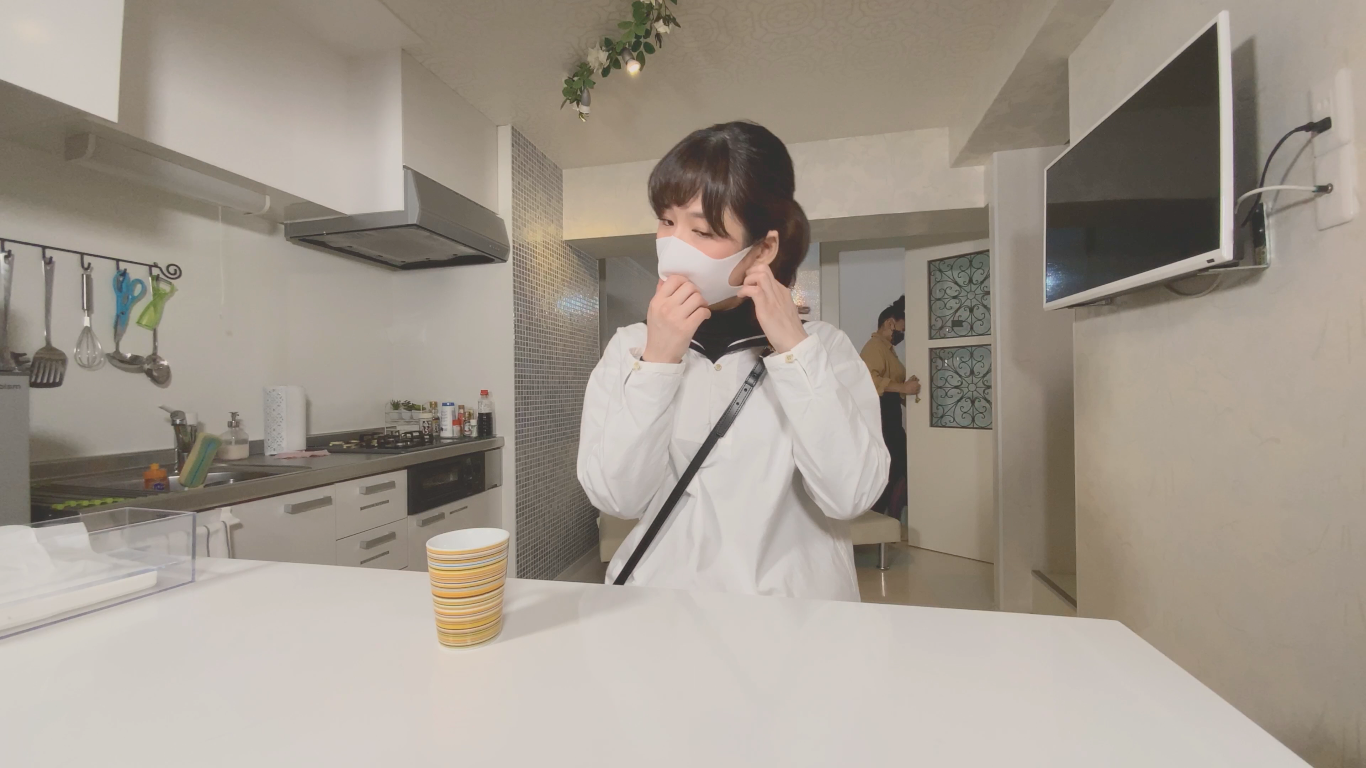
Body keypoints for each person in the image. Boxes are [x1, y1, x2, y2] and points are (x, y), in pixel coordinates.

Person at [577, 121, 889, 602]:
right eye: (666, 222)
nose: (674, 246)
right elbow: (617, 498)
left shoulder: (824, 348)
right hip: (660, 614)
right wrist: (658, 362)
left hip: (791, 623)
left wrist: (794, 350)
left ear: (763, 248)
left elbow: (851, 495)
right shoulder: (630, 348)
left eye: (702, 230)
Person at [860, 298, 920, 517]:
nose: (902, 334)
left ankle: (887, 516)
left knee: (898, 467)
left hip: (890, 415)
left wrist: (905, 387)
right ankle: (878, 515)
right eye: (901, 329)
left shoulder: (888, 350)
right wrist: (902, 387)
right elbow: (869, 380)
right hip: (881, 415)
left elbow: (892, 383)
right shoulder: (874, 347)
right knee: (893, 467)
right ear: (889, 323)